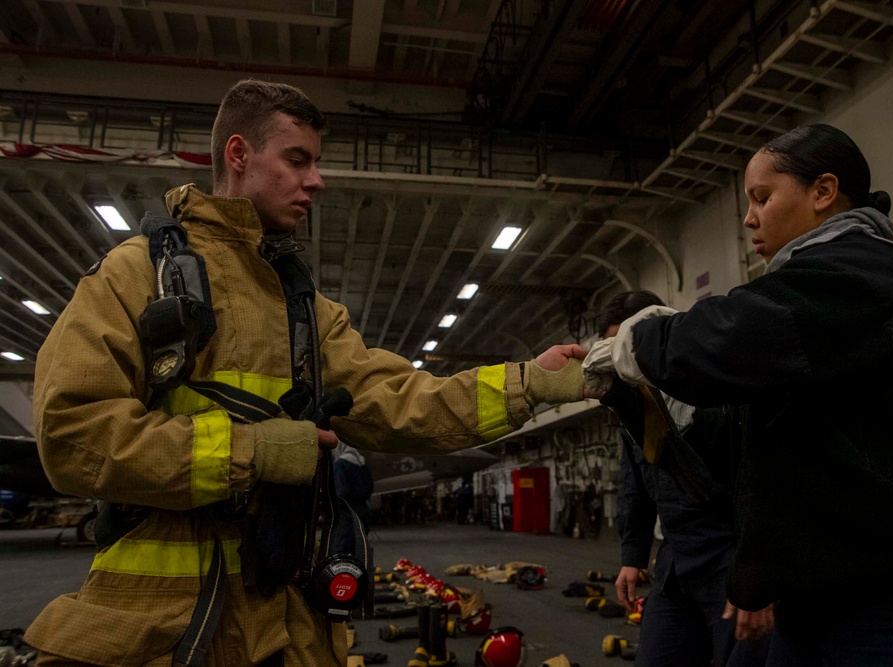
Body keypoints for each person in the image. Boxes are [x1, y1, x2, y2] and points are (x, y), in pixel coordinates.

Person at [26, 79, 587, 667]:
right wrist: (251, 452)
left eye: (316, 163)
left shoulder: (305, 310)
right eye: (298, 160)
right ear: (238, 155)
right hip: (162, 631)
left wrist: (532, 382)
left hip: (287, 627)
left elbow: (401, 399)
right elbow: (72, 436)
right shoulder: (134, 275)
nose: (315, 180)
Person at [584, 123, 893, 665]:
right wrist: (633, 394)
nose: (750, 217)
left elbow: (736, 331)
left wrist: (639, 340)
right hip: (824, 591)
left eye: (762, 197)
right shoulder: (804, 301)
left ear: (823, 192)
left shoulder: (864, 271)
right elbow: (725, 439)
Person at [599, 290, 771, 667]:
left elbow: (763, 483)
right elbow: (636, 487)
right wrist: (633, 557)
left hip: (730, 558)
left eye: (631, 349)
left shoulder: (717, 390)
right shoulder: (636, 409)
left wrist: (757, 576)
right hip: (675, 563)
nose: (626, 365)